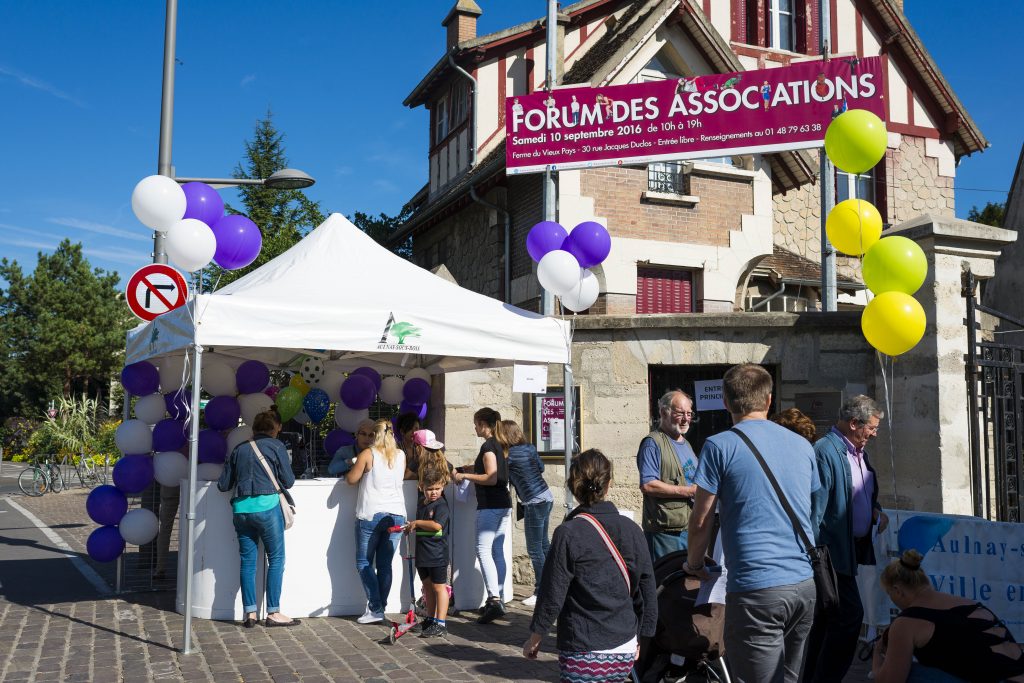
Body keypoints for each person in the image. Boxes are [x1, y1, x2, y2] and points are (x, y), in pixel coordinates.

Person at [685, 364, 818, 683]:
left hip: (758, 588)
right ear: (769, 400)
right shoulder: (802, 445)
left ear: (726, 403)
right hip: (803, 584)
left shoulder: (719, 446)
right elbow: (813, 514)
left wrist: (693, 563)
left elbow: (701, 520)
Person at [523, 449, 657, 681]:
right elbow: (647, 591)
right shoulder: (632, 530)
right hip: (624, 649)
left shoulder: (568, 533)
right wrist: (642, 638)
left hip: (583, 647)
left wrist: (535, 637)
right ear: (609, 484)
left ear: (572, 487)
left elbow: (552, 593)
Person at [804, 395, 889, 683]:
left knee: (827, 622)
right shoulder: (825, 451)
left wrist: (874, 512)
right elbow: (816, 508)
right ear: (854, 423)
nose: (874, 434)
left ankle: (813, 678)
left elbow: (859, 492)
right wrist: (813, 557)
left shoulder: (858, 451)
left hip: (849, 549)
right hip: (831, 553)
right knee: (849, 617)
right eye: (872, 428)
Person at [872, 549, 1024, 683]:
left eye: (889, 594)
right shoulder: (966, 603)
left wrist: (878, 653)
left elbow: (889, 681)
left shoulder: (906, 622)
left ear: (898, 590)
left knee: (910, 673)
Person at [217, 406, 299, 628]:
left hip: (241, 511)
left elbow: (223, 484)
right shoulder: (277, 446)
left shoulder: (238, 449)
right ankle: (273, 612)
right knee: (277, 560)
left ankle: (250, 613)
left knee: (247, 563)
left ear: (253, 429)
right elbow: (289, 481)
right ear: (275, 429)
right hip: (268, 507)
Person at [452, 407, 511, 624]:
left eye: (476, 424)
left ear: (483, 424)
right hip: (503, 504)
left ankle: (494, 600)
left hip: (490, 505)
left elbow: (491, 477)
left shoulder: (488, 446)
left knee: (483, 550)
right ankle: (499, 596)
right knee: (496, 550)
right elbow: (488, 468)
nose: (474, 428)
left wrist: (463, 475)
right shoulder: (500, 444)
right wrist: (466, 467)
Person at [346, 418, 407, 624]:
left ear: (375, 435)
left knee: (364, 562)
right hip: (397, 513)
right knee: (385, 564)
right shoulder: (401, 455)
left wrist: (355, 465)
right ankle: (381, 607)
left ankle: (375, 607)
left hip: (371, 513)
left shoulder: (367, 454)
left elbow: (351, 480)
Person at [637, 389, 699, 561]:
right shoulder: (652, 443)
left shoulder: (686, 444)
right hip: (666, 534)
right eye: (680, 413)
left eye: (689, 413)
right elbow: (648, 485)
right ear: (664, 412)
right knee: (666, 582)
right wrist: (688, 491)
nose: (686, 418)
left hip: (688, 528)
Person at [498, 419, 553, 608]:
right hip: (547, 496)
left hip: (534, 501)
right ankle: (551, 587)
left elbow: (498, 476)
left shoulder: (508, 456)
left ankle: (541, 592)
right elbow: (541, 468)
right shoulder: (529, 448)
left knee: (535, 549)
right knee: (545, 545)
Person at [403, 465, 452, 638]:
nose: (433, 492)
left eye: (437, 488)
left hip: (437, 554)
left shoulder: (441, 506)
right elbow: (421, 525)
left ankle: (441, 623)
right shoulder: (422, 504)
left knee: (440, 588)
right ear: (421, 488)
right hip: (423, 553)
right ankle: (431, 619)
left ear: (443, 487)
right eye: (430, 489)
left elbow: (437, 525)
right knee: (427, 587)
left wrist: (416, 523)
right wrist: (411, 526)